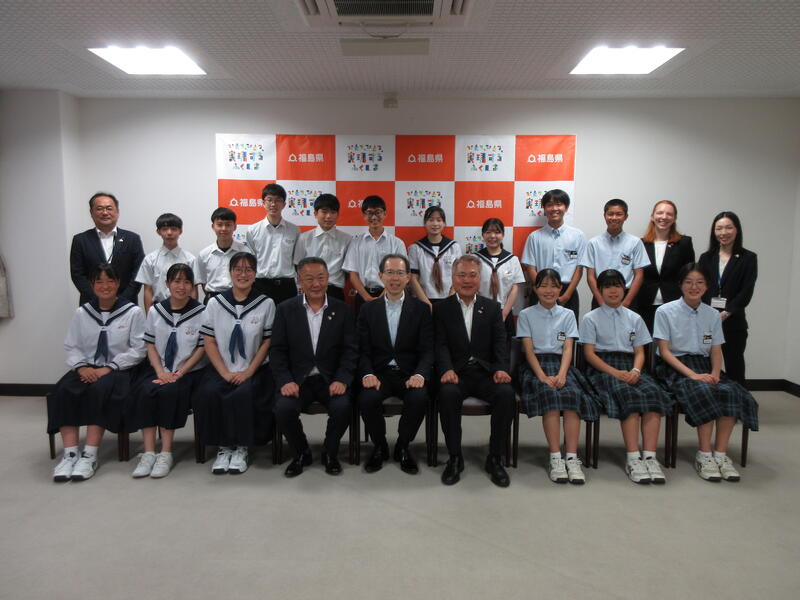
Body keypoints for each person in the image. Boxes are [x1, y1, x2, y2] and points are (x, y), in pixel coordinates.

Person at [653, 263, 759, 482]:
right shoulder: (665, 311)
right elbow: (664, 352)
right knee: (703, 390)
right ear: (680, 284)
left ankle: (720, 454)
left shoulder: (712, 314)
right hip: (675, 366)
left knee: (731, 391)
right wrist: (692, 375)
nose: (694, 287)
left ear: (707, 285)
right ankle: (704, 454)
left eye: (699, 282)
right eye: (689, 282)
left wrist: (715, 373)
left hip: (704, 364)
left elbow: (716, 350)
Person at [48, 264, 146, 481]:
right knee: (63, 391)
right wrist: (81, 367)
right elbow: (72, 345)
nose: (105, 286)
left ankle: (89, 455)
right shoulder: (83, 313)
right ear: (92, 285)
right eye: (99, 282)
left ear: (118, 283)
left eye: (110, 281)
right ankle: (70, 454)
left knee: (98, 391)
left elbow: (139, 349)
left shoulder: (132, 312)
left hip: (119, 369)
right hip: (87, 367)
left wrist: (109, 368)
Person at [579, 269, 672, 484]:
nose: (613, 291)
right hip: (603, 368)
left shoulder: (635, 318)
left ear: (624, 289)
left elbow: (640, 352)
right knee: (629, 395)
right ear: (600, 290)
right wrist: (614, 373)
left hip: (631, 366)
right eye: (607, 286)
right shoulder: (590, 318)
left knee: (654, 394)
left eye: (617, 286)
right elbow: (589, 354)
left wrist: (636, 371)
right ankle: (633, 458)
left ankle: (650, 457)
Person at [271, 257, 358, 477]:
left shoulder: (343, 310)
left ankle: (330, 453)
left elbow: (350, 351)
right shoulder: (285, 309)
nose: (316, 284)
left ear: (328, 279)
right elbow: (277, 351)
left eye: (321, 277)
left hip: (330, 378)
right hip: (298, 379)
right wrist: (285, 381)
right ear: (299, 281)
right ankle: (301, 453)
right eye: (309, 279)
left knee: (342, 407)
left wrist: (342, 379)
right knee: (283, 408)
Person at [434, 254, 515, 488]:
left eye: (472, 275)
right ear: (453, 278)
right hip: (456, 373)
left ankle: (495, 458)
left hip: (485, 373)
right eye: (461, 275)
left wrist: (501, 368)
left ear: (480, 279)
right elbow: (439, 344)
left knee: (506, 395)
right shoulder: (441, 309)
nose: (467, 280)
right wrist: (446, 369)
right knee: (447, 394)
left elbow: (500, 343)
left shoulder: (492, 308)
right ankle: (455, 458)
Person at [196, 252, 275, 475]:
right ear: (230, 272)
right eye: (238, 269)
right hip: (222, 367)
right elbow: (209, 341)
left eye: (248, 269)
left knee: (244, 393)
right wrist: (223, 372)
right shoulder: (215, 303)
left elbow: (267, 342)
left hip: (255, 368)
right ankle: (223, 447)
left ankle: (241, 447)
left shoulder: (266, 303)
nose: (243, 274)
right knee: (210, 392)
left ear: (255, 274)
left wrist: (248, 372)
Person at [516, 268, 596, 485]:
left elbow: (568, 348)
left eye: (554, 286)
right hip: (536, 366)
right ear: (535, 289)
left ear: (561, 288)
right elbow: (528, 351)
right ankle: (555, 457)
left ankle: (571, 457)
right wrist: (542, 376)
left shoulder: (567, 314)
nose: (549, 290)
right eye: (543, 286)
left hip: (562, 365)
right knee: (550, 396)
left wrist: (562, 374)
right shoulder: (526, 314)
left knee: (572, 395)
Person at [357, 254, 433, 474]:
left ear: (408, 277)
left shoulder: (421, 309)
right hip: (379, 373)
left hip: (409, 373)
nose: (395, 278)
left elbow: (428, 350)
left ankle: (403, 445)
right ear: (380, 276)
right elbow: (361, 350)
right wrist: (367, 374)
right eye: (390, 272)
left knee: (419, 398)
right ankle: (380, 446)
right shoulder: (367, 309)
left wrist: (419, 374)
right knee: (367, 398)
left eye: (400, 273)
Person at [129, 263, 206, 479]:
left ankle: (166, 452)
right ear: (167, 284)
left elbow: (201, 348)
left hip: (189, 372)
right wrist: (160, 371)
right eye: (176, 281)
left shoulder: (201, 312)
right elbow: (150, 345)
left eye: (186, 282)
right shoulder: (156, 311)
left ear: (192, 286)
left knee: (169, 392)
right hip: (160, 369)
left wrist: (180, 372)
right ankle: (149, 452)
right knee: (145, 391)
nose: (181, 286)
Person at [697, 212, 757, 385]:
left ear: (737, 230)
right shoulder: (706, 257)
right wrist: (708, 313)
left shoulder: (748, 258)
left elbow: (746, 291)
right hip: (707, 320)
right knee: (705, 365)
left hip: (733, 321)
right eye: (719, 228)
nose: (723, 232)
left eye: (728, 227)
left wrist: (726, 312)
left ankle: (739, 398)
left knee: (734, 364)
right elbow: (699, 286)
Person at [520, 189, 586, 319]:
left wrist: (566, 295)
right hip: (540, 291)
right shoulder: (534, 237)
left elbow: (579, 269)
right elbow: (531, 268)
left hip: (568, 292)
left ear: (566, 207)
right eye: (550, 205)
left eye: (559, 204)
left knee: (567, 330)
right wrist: (542, 291)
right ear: (544, 209)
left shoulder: (578, 236)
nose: (554, 208)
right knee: (537, 329)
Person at [70, 192, 145, 305]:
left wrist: (121, 300)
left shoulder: (132, 239)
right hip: (92, 304)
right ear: (91, 213)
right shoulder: (80, 240)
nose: (105, 212)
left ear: (117, 212)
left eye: (109, 208)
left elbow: (138, 272)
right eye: (99, 209)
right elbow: (77, 275)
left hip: (126, 305)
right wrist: (99, 300)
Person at [581, 199, 650, 312]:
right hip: (600, 296)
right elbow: (590, 276)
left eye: (619, 214)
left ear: (626, 216)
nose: (614, 218)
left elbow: (639, 275)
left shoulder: (635, 242)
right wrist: (601, 302)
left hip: (627, 297)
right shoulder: (594, 243)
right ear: (604, 216)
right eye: (610, 214)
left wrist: (626, 303)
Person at [342, 195, 407, 312]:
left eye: (378, 212)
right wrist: (366, 297)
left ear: (385, 214)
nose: (373, 217)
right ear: (364, 215)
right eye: (369, 213)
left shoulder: (397, 243)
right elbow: (353, 274)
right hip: (363, 295)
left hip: (391, 295)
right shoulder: (356, 243)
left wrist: (384, 296)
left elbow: (402, 273)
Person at [639, 200, 695, 333]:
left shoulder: (684, 243)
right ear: (652, 216)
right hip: (645, 304)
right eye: (660, 213)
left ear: (674, 218)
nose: (664, 217)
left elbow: (689, 275)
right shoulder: (641, 244)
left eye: (669, 214)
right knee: (647, 342)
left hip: (675, 304)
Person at [246, 183, 300, 305]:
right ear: (263, 203)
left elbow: (297, 260)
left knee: (287, 317)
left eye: (278, 200)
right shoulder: (252, 230)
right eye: (269, 200)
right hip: (261, 285)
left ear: (284, 204)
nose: (273, 204)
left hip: (287, 286)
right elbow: (252, 260)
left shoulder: (294, 230)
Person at [293, 193, 352, 302]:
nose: (328, 216)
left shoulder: (347, 239)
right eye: (324, 212)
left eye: (333, 212)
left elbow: (348, 271)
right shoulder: (304, 238)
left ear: (338, 214)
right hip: (310, 290)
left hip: (335, 291)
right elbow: (298, 266)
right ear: (315, 213)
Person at [135, 213, 198, 313]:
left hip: (185, 309)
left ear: (180, 231)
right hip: (158, 309)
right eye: (164, 229)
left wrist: (192, 313)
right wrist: (149, 316)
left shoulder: (190, 259)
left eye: (173, 229)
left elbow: (193, 289)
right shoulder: (150, 259)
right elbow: (148, 290)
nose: (169, 233)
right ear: (158, 231)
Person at [475, 218, 525, 340]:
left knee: (504, 347)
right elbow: (473, 286)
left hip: (504, 311)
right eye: (488, 232)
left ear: (503, 235)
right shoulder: (475, 259)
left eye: (497, 232)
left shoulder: (512, 260)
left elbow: (514, 288)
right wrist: (481, 309)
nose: (493, 236)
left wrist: (504, 314)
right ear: (483, 235)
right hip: (481, 310)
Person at [408, 206, 461, 308]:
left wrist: (450, 299)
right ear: (425, 223)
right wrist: (426, 303)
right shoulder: (416, 248)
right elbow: (413, 278)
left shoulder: (454, 247)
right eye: (431, 220)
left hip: (449, 300)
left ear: (444, 223)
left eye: (439, 220)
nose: (435, 224)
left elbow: (458, 276)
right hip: (423, 300)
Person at [196, 207, 251, 304]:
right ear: (213, 226)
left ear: (235, 227)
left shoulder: (245, 253)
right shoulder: (204, 254)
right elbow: (203, 282)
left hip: (239, 299)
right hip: (213, 300)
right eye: (220, 225)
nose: (224, 229)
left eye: (228, 225)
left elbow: (250, 278)